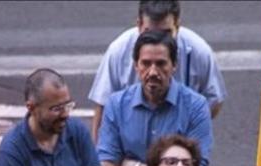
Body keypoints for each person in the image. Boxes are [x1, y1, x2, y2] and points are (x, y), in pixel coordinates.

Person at [97, 31, 213, 166]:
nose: (152, 72)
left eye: (161, 64)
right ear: (136, 65)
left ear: (174, 65)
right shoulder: (116, 104)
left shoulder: (196, 106)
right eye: (145, 63)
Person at [89, 0, 226, 139]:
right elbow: (103, 107)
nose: (158, 40)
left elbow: (213, 100)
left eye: (166, 33)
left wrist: (190, 130)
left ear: (177, 26)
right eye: (149, 32)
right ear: (139, 25)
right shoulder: (118, 51)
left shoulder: (200, 52)